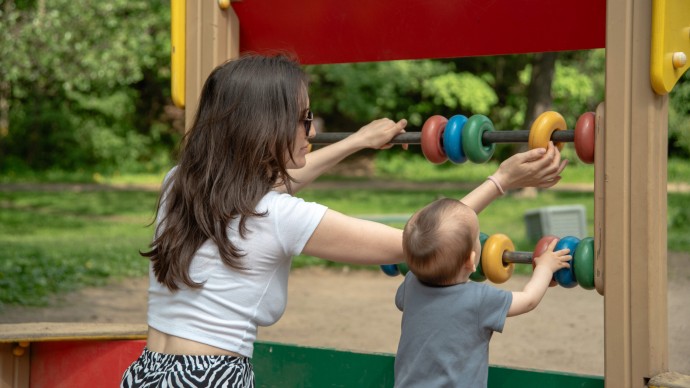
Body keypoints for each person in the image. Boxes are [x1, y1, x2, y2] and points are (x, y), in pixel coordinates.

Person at [120, 53, 567, 387]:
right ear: (264, 127)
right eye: (304, 120)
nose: (312, 131)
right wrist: (501, 179)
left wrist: (356, 142)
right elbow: (421, 240)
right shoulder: (280, 216)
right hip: (212, 378)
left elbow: (274, 183)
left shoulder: (179, 182)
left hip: (146, 372)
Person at [393, 198, 572, 388]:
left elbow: (401, 302)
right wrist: (545, 267)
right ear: (471, 261)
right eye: (478, 238)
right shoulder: (479, 299)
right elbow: (529, 300)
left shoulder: (411, 282)